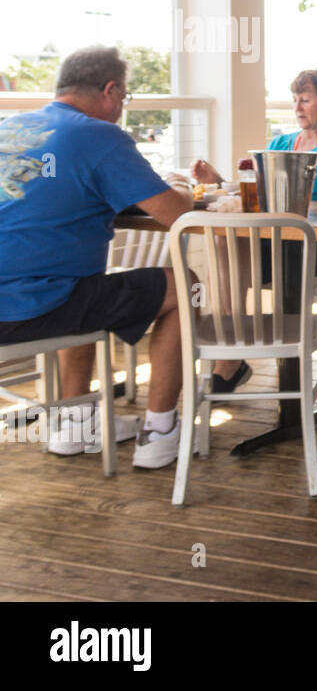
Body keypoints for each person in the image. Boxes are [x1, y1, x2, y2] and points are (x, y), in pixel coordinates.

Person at [0, 45, 192, 467]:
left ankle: (75, 426)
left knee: (85, 282)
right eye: (125, 98)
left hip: (22, 301)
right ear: (110, 90)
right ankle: (160, 432)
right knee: (185, 284)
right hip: (31, 308)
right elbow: (176, 215)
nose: (123, 107)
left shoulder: (9, 129)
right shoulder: (99, 135)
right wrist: (184, 189)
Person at [191, 69, 317, 389]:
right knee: (224, 241)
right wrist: (217, 181)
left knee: (282, 252)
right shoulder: (280, 143)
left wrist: (287, 203)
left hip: (313, 247)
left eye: (306, 100)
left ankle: (262, 370)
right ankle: (234, 347)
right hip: (272, 244)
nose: (298, 107)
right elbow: (254, 195)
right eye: (295, 100)